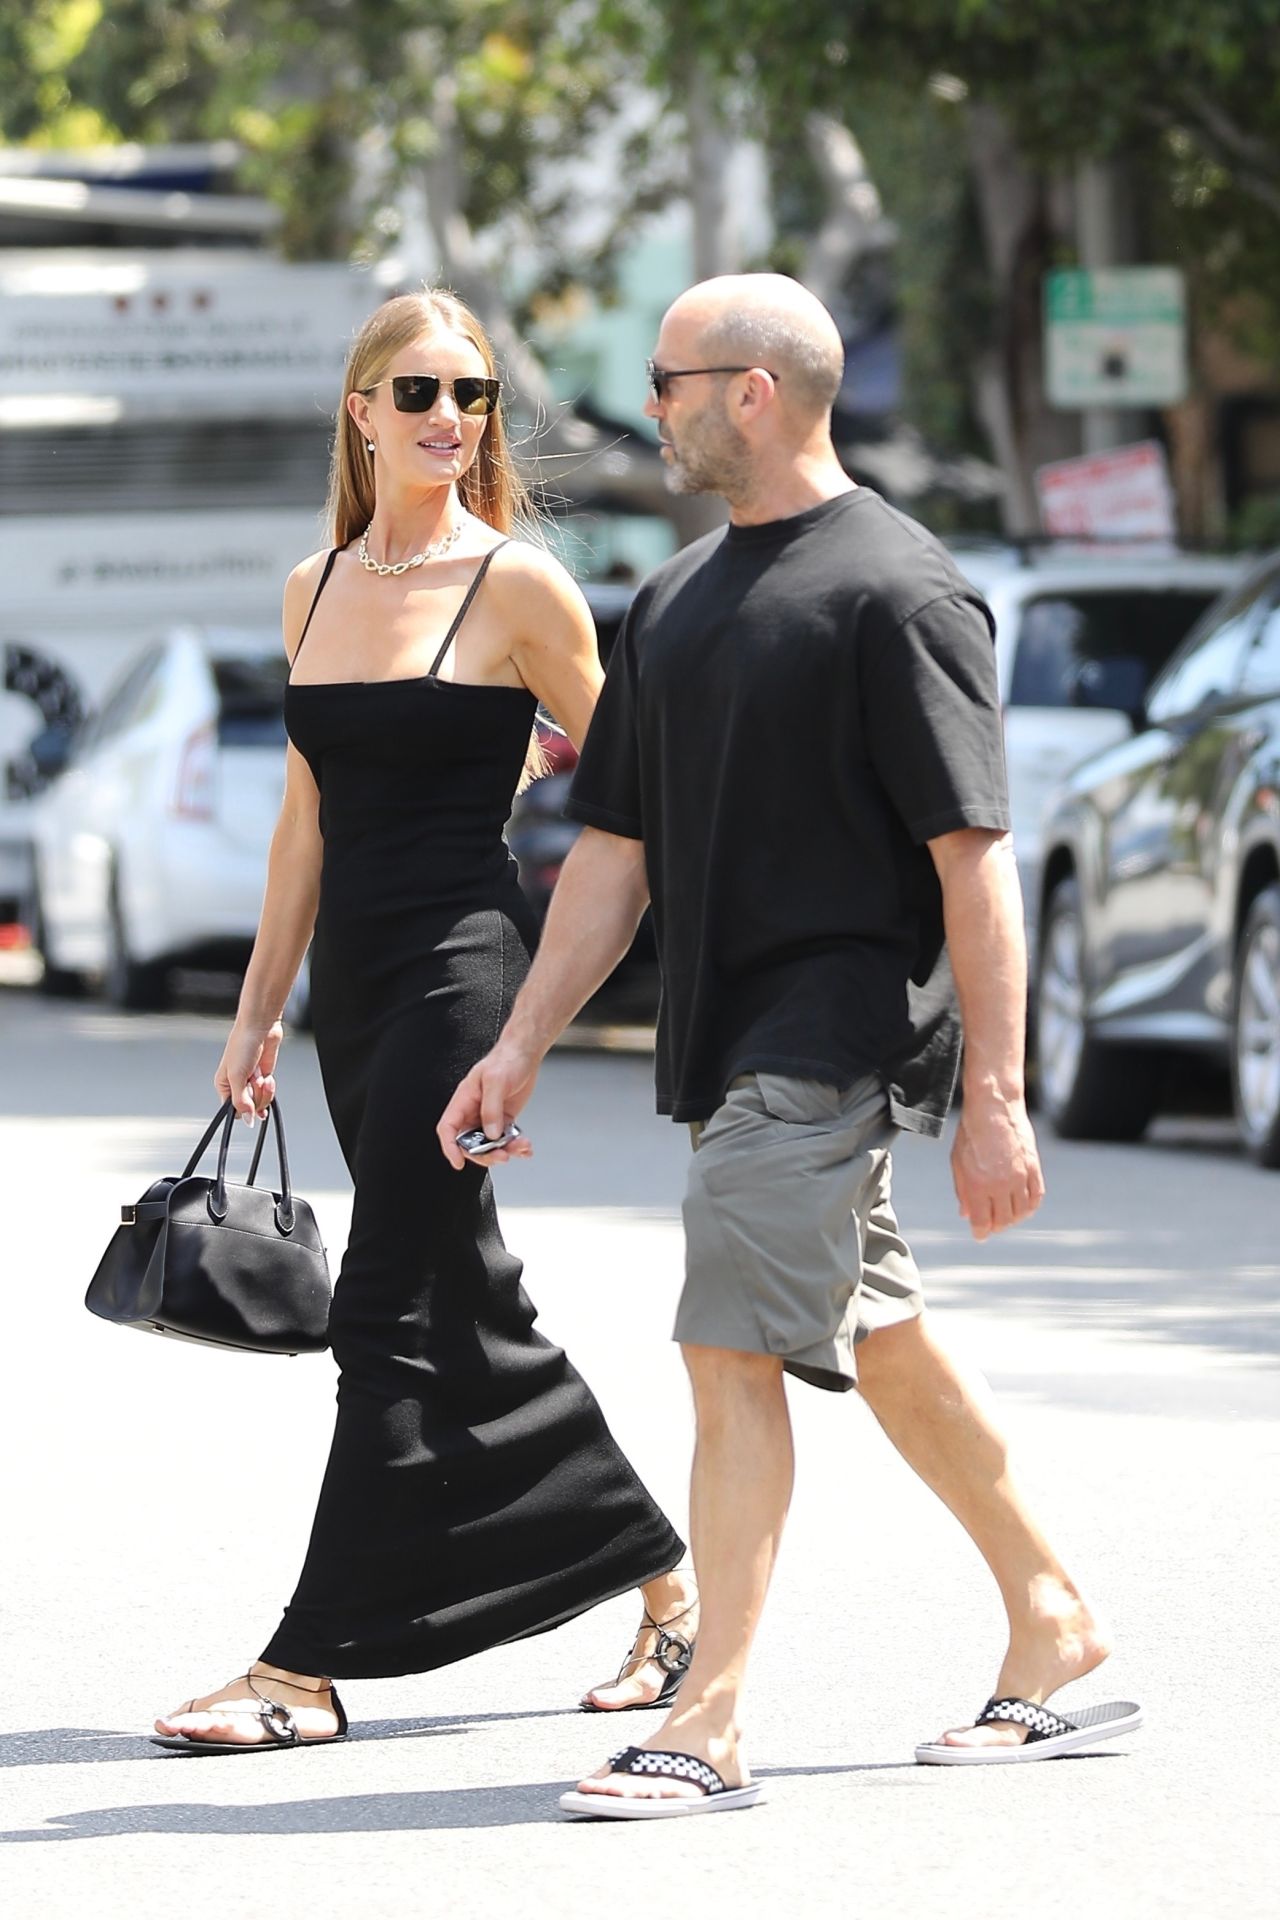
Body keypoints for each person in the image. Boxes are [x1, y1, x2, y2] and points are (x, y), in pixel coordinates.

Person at [440, 274, 1135, 1818]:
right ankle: (1055, 1617)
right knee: (878, 1341)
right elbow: (612, 856)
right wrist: (522, 1045)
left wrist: (997, 1098)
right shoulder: (673, 601)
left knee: (725, 1346)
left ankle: (713, 1716)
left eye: (675, 381)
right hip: (722, 1037)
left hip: (826, 1037)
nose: (656, 409)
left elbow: (976, 859)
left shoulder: (902, 588)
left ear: (754, 391)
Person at [152, 289, 697, 1753]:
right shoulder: (314, 588)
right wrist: (258, 1014)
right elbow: (301, 830)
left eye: (470, 395)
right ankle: (664, 1586)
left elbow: (634, 781)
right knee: (466, 1300)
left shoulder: (517, 584)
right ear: (360, 410)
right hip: (355, 991)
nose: (448, 418)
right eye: (417, 393)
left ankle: (304, 1668)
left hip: (465, 969)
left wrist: (625, 968)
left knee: (386, 1302)